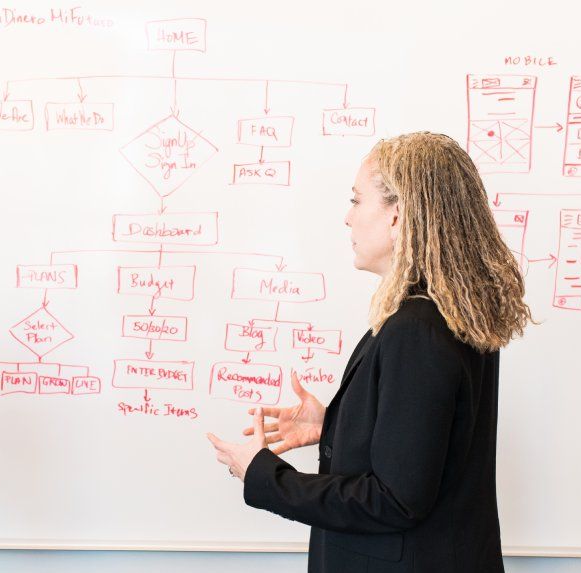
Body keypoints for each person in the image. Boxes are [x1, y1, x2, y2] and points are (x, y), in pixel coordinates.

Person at [206, 132, 531, 572]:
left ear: (397, 215)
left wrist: (264, 476)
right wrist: (336, 425)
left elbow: (395, 500)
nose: (347, 218)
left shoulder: (418, 330)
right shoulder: (453, 315)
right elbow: (430, 443)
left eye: (357, 201)